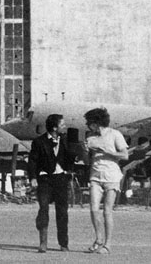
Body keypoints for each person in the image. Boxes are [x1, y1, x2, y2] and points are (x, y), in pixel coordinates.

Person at [27, 114, 76, 253]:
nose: (64, 127)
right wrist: (33, 177)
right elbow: (32, 161)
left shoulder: (65, 140)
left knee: (62, 212)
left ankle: (63, 243)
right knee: (43, 209)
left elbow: (70, 159)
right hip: (45, 179)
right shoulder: (39, 142)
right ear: (54, 127)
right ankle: (43, 242)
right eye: (62, 124)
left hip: (61, 179)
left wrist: (75, 154)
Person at [83, 107, 129, 255]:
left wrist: (107, 151)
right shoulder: (90, 137)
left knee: (107, 211)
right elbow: (86, 160)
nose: (88, 126)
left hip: (112, 176)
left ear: (96, 123)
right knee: (93, 208)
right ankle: (98, 239)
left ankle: (107, 245)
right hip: (95, 176)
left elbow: (125, 155)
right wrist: (84, 151)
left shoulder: (115, 134)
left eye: (89, 123)